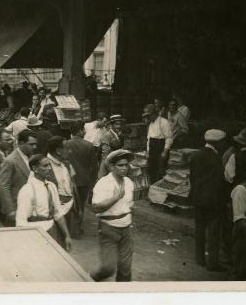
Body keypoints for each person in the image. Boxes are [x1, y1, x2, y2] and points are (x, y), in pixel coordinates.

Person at [90, 149, 135, 282]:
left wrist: (131, 219)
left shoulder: (129, 182)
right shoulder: (103, 183)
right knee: (108, 268)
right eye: (120, 165)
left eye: (126, 165)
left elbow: (129, 205)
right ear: (111, 166)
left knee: (125, 269)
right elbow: (95, 208)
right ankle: (92, 278)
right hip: (108, 229)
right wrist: (115, 198)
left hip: (126, 228)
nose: (124, 168)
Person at [15, 154, 72, 251]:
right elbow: (21, 222)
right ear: (35, 169)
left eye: (49, 165)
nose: (49, 168)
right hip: (36, 234)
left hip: (52, 230)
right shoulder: (27, 190)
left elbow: (58, 213)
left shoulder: (51, 186)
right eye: (45, 166)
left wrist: (67, 235)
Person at [189, 129, 228, 272]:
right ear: (217, 143)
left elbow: (192, 177)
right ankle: (213, 263)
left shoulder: (197, 155)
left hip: (198, 198)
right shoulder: (216, 158)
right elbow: (219, 181)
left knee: (199, 228)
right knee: (213, 232)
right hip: (212, 200)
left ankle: (200, 258)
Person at [0, 129, 38, 226]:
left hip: (31, 208)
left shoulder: (32, 158)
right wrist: (10, 210)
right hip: (17, 209)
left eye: (35, 144)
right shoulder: (10, 161)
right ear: (21, 143)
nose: (35, 147)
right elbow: (3, 186)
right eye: (31, 144)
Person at [64, 121, 96, 237]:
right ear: (79, 131)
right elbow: (94, 166)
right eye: (83, 129)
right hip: (84, 179)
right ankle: (78, 227)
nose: (84, 132)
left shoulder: (65, 144)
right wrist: (93, 181)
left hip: (68, 179)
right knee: (81, 204)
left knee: (69, 203)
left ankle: (71, 227)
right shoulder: (89, 145)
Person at [45, 136, 78, 248]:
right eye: (67, 148)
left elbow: (72, 185)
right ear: (58, 151)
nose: (70, 151)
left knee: (64, 243)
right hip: (51, 214)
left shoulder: (66, 164)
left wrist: (76, 205)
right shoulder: (43, 165)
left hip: (67, 211)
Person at [142, 104, 172, 184]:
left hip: (161, 148)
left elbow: (169, 138)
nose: (147, 118)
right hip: (152, 148)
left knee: (161, 171)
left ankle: (160, 190)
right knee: (152, 170)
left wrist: (165, 151)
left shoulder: (164, 122)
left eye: (149, 116)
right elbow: (149, 139)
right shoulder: (151, 124)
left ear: (154, 114)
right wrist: (148, 151)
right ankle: (153, 189)